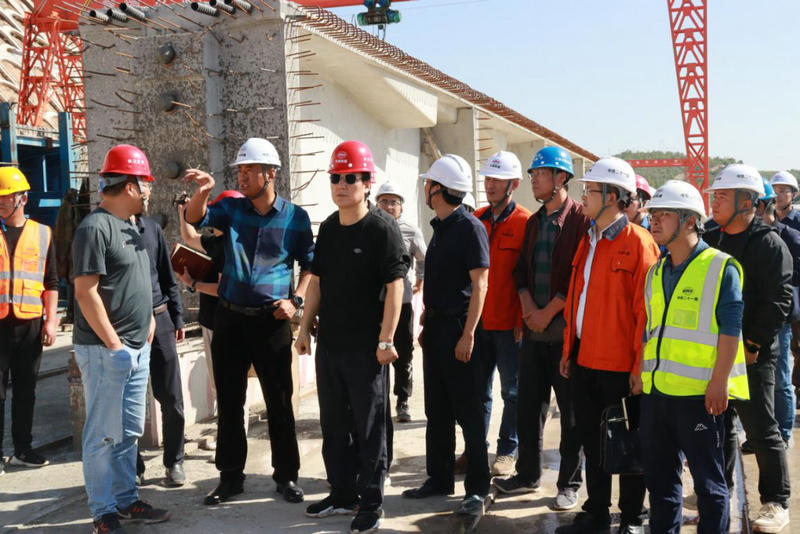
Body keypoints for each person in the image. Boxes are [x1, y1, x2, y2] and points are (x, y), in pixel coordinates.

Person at [183, 138, 314, 506]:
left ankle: (286, 476)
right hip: (229, 319)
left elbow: (310, 264)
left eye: (249, 170)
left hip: (271, 322)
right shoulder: (230, 208)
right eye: (239, 170)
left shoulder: (295, 217)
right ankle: (230, 478)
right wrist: (203, 191)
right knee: (229, 401)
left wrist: (295, 300)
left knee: (279, 401)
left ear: (270, 173)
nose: (242, 176)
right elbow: (194, 219)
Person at [296, 141, 408, 534]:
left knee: (369, 425)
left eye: (350, 178)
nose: (341, 185)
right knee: (333, 424)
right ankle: (342, 493)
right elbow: (317, 282)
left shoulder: (382, 229)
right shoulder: (328, 228)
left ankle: (371, 503)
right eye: (336, 178)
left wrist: (386, 339)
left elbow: (396, 286)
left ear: (366, 182)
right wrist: (304, 328)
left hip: (367, 349)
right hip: (331, 345)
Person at [638, 180, 748, 533]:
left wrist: (720, 382)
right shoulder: (656, 270)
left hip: (700, 398)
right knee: (660, 484)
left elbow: (731, 330)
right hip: (657, 395)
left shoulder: (720, 267)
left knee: (709, 487)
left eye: (664, 214)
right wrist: (641, 373)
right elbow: (652, 330)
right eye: (653, 214)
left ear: (689, 221)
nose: (654, 220)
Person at [558, 157, 659, 534]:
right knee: (592, 440)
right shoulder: (588, 239)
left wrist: (639, 367)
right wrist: (568, 351)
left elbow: (646, 315)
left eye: (591, 190)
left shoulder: (639, 243)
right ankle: (597, 512)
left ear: (613, 197)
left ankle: (632, 517)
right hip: (585, 360)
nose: (584, 196)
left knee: (628, 443)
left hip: (621, 367)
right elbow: (577, 298)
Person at [72, 145, 170, 533]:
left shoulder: (131, 226)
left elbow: (137, 281)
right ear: (130, 186)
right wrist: (114, 346)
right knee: (102, 435)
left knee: (129, 431)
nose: (149, 190)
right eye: (145, 183)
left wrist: (147, 322)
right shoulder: (94, 228)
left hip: (135, 347)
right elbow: (86, 292)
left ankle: (127, 500)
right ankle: (104, 512)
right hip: (105, 351)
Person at [494, 146, 589, 512]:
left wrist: (548, 312)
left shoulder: (580, 221)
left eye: (540, 173)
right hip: (534, 332)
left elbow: (577, 277)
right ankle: (527, 474)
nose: (533, 179)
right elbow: (521, 271)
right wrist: (528, 309)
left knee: (572, 415)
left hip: (565, 336)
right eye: (532, 174)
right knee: (528, 407)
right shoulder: (534, 223)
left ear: (561, 178)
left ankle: (569, 484)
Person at [401, 154, 491, 520]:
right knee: (436, 410)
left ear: (437, 189)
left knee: (469, 413)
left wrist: (468, 335)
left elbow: (480, 285)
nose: (425, 188)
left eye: (428, 183)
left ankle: (477, 489)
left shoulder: (470, 227)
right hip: (437, 329)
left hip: (459, 330)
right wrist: (427, 321)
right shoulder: (440, 228)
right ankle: (439, 479)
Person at [704, 164, 793, 533]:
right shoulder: (711, 237)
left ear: (747, 202)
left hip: (752, 355)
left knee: (760, 429)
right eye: (715, 196)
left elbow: (779, 300)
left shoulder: (768, 244)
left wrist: (753, 343)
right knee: (717, 424)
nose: (715, 202)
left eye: (723, 196)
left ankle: (776, 501)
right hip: (714, 351)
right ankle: (719, 489)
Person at [470, 151, 530, 477]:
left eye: (497, 180)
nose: (490, 185)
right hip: (478, 324)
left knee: (513, 392)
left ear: (513, 184)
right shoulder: (476, 218)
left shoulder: (525, 222)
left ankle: (507, 451)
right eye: (488, 179)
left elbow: (529, 276)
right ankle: (475, 451)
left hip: (510, 326)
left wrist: (522, 318)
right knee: (478, 393)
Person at [0, 167, 57, 475]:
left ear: (22, 198)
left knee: (25, 391)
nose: (1, 203)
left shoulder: (43, 234)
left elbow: (52, 282)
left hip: (30, 325)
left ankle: (23, 449)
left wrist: (50, 322)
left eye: (6, 197)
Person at [176, 190, 242, 452]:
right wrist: (182, 213)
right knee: (220, 383)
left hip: (226, 324)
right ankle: (228, 434)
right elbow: (189, 237)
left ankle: (231, 439)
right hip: (212, 321)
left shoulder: (231, 247)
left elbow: (222, 289)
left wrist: (192, 283)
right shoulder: (215, 241)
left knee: (229, 384)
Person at [132, 211, 186, 487]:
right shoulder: (107, 229)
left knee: (172, 397)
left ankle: (174, 461)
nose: (144, 193)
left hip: (160, 317)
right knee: (129, 402)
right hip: (128, 324)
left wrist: (177, 318)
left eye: (146, 189)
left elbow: (167, 275)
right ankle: (133, 467)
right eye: (139, 189)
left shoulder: (152, 229)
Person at [375, 180, 426, 423]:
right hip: (374, 303)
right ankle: (378, 401)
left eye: (393, 202)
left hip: (402, 303)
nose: (388, 206)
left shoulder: (410, 231)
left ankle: (402, 400)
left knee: (403, 353)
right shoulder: (369, 227)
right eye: (383, 201)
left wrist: (419, 280)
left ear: (401, 206)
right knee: (374, 352)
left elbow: (424, 258)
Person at [756, 179, 800, 448]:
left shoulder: (791, 237)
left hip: (781, 318)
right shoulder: (749, 237)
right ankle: (761, 433)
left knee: (781, 377)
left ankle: (783, 432)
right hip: (754, 317)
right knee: (760, 379)